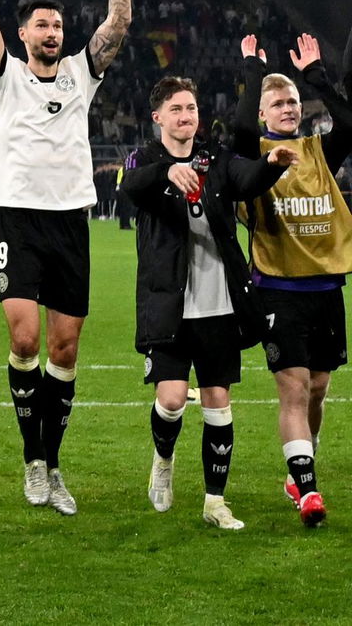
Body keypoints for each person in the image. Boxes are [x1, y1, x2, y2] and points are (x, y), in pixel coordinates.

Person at [0, 0, 131, 514]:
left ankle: (50, 464)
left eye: (57, 26)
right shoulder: (5, 75)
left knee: (64, 350)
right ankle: (32, 460)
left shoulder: (81, 73)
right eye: (42, 25)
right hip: (17, 218)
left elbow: (118, 23)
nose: (52, 33)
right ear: (25, 34)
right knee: (25, 338)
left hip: (70, 223)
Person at [121, 75, 297, 530]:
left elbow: (245, 178)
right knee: (172, 399)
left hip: (218, 304)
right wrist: (167, 172)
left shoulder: (214, 157)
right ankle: (163, 458)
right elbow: (130, 186)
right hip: (168, 304)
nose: (186, 117)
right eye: (177, 109)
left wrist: (271, 164)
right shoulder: (145, 158)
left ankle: (215, 502)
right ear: (158, 116)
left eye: (191, 108)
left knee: (218, 403)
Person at [232, 33, 352, 527]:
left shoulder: (319, 151)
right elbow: (241, 128)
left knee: (319, 387)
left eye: (293, 102)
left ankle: (301, 462)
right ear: (263, 111)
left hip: (326, 288)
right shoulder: (251, 156)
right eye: (278, 103)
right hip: (278, 290)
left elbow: (350, 123)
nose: (288, 108)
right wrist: (252, 73)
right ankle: (307, 490)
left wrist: (315, 76)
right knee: (295, 389)